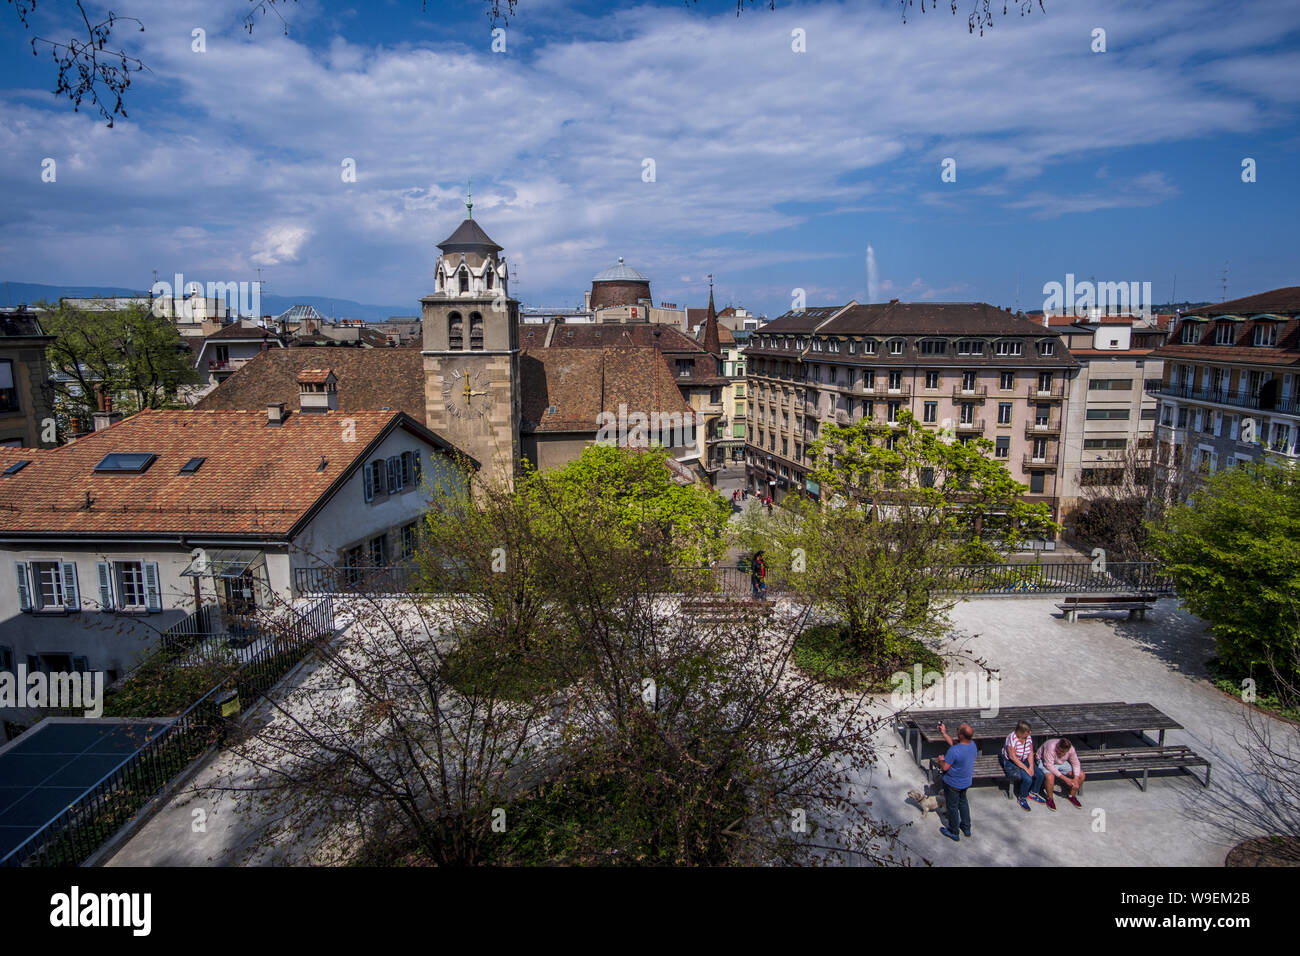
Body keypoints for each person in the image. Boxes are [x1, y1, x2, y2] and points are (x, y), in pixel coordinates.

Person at [936, 721, 977, 842]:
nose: (957, 730)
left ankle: (953, 831)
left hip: (953, 783)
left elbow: (945, 767)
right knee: (963, 803)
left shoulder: (954, 751)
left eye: (958, 730)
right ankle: (966, 827)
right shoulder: (972, 745)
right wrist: (944, 733)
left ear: (961, 736)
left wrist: (941, 760)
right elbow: (955, 745)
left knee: (952, 806)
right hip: (966, 782)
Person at [1000, 720, 1046, 811]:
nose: (1030, 732)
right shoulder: (1012, 738)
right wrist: (1026, 769)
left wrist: (1031, 766)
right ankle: (1022, 797)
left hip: (1024, 759)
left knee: (1040, 775)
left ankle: (1033, 793)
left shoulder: (1028, 737)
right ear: (1021, 731)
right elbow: (1013, 757)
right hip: (1013, 761)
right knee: (1028, 779)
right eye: (1028, 731)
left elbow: (1030, 752)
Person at [1037, 737, 1084, 810]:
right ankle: (1050, 799)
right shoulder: (1050, 746)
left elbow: (1076, 763)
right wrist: (1066, 779)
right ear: (1057, 745)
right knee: (1050, 777)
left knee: (1081, 775)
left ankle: (1071, 796)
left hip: (1060, 762)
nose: (1059, 753)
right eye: (1058, 750)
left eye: (1062, 752)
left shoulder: (1071, 749)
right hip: (1044, 761)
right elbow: (1049, 766)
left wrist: (1076, 779)